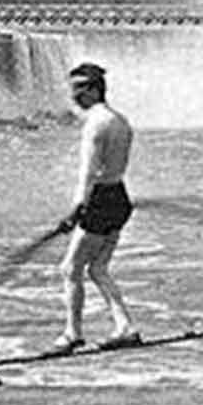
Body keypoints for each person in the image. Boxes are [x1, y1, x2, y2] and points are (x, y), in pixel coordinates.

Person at [51, 62, 140, 354]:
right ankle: (125, 327)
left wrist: (77, 209)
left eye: (78, 89)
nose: (73, 96)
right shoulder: (121, 121)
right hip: (119, 198)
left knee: (70, 269)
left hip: (100, 201)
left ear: (93, 89)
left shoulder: (96, 125)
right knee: (98, 268)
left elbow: (88, 173)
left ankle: (72, 334)